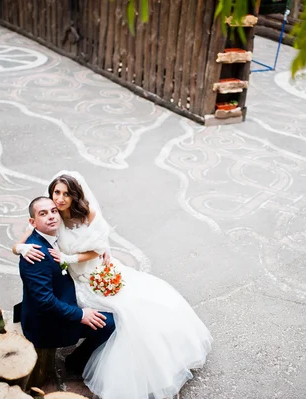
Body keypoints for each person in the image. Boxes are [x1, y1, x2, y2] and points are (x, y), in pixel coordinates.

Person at [14, 171, 213, 399]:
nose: (58, 200)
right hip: (67, 293)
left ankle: (153, 352)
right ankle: (79, 361)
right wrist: (20, 248)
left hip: (90, 272)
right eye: (56, 193)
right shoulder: (40, 236)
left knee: (135, 303)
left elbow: (97, 242)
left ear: (74, 196)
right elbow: (42, 292)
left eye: (66, 194)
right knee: (116, 318)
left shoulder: (67, 214)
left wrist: (100, 250)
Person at [16, 196, 115, 373]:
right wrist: (81, 314)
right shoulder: (35, 255)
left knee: (114, 304)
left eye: (54, 211)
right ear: (33, 221)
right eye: (43, 213)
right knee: (109, 323)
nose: (51, 216)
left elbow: (89, 235)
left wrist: (103, 248)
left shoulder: (52, 234)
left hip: (64, 296)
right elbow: (45, 301)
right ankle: (76, 363)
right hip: (47, 324)